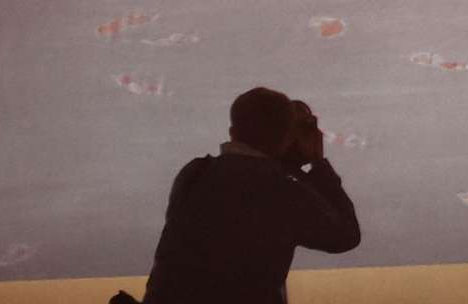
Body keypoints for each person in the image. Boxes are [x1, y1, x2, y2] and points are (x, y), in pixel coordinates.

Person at [126, 86, 359, 304]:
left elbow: (243, 181)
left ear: (232, 131)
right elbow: (346, 236)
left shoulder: (194, 173)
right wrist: (317, 163)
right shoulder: (285, 194)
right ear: (287, 138)